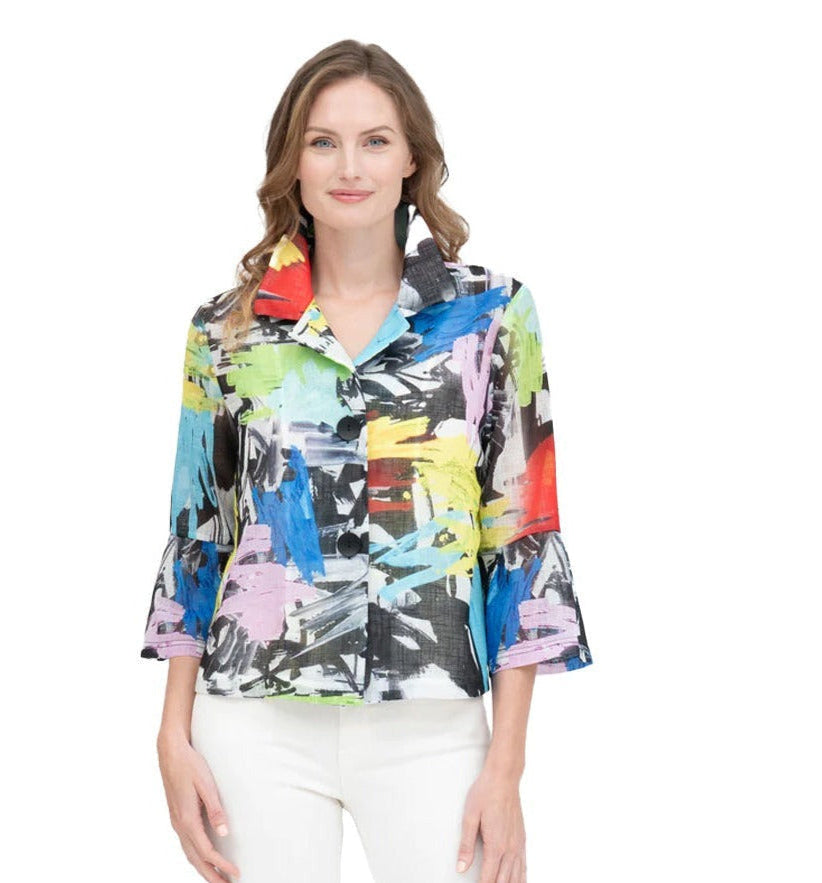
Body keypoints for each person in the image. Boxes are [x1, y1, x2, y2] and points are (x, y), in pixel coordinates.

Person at [141, 39, 593, 883]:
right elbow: (200, 529)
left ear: (411, 157)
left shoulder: (490, 314)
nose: (349, 166)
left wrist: (506, 767)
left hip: (432, 720)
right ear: (292, 160)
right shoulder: (226, 329)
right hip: (253, 719)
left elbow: (520, 535)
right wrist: (172, 733)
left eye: (375, 140)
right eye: (323, 141)